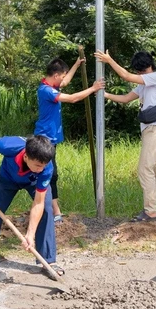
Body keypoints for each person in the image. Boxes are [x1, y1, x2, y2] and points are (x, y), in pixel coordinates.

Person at [0, 135, 64, 277]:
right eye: (38, 165)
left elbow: (38, 203)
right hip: (7, 179)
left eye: (44, 165)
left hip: (34, 182)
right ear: (26, 156)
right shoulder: (9, 145)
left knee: (46, 209)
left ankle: (48, 262)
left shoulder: (45, 169)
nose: (41, 168)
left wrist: (30, 234)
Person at [95, 49, 156, 222]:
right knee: (151, 169)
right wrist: (104, 94)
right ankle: (152, 208)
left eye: (140, 70)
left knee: (144, 169)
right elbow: (127, 98)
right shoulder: (144, 84)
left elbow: (126, 76)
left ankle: (151, 211)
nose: (138, 74)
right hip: (150, 130)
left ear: (147, 67)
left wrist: (109, 60)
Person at [35, 58, 105, 223]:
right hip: (45, 139)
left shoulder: (51, 85)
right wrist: (93, 88)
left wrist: (76, 65)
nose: (64, 79)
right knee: (50, 174)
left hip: (50, 138)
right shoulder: (46, 90)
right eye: (63, 75)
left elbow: (65, 82)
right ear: (56, 75)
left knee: (50, 174)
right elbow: (73, 98)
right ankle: (54, 212)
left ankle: (49, 210)